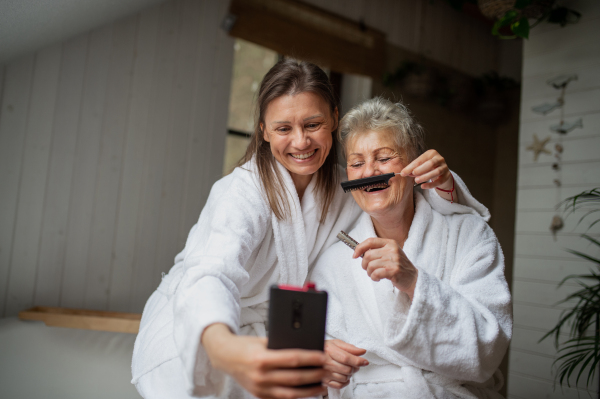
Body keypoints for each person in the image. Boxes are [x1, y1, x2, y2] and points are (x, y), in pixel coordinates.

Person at [131, 60, 487, 399]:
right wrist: (226, 349)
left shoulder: (345, 185)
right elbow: (209, 274)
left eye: (313, 124)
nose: (301, 142)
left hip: (276, 333)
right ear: (264, 132)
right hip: (200, 332)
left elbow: (400, 197)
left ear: (334, 118)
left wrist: (441, 180)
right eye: (284, 128)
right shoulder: (241, 193)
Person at [310, 97, 512, 399]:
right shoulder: (333, 261)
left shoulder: (470, 236)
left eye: (384, 157)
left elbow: (487, 348)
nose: (369, 172)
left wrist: (415, 282)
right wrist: (320, 358)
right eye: (357, 162)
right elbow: (313, 353)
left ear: (414, 163)